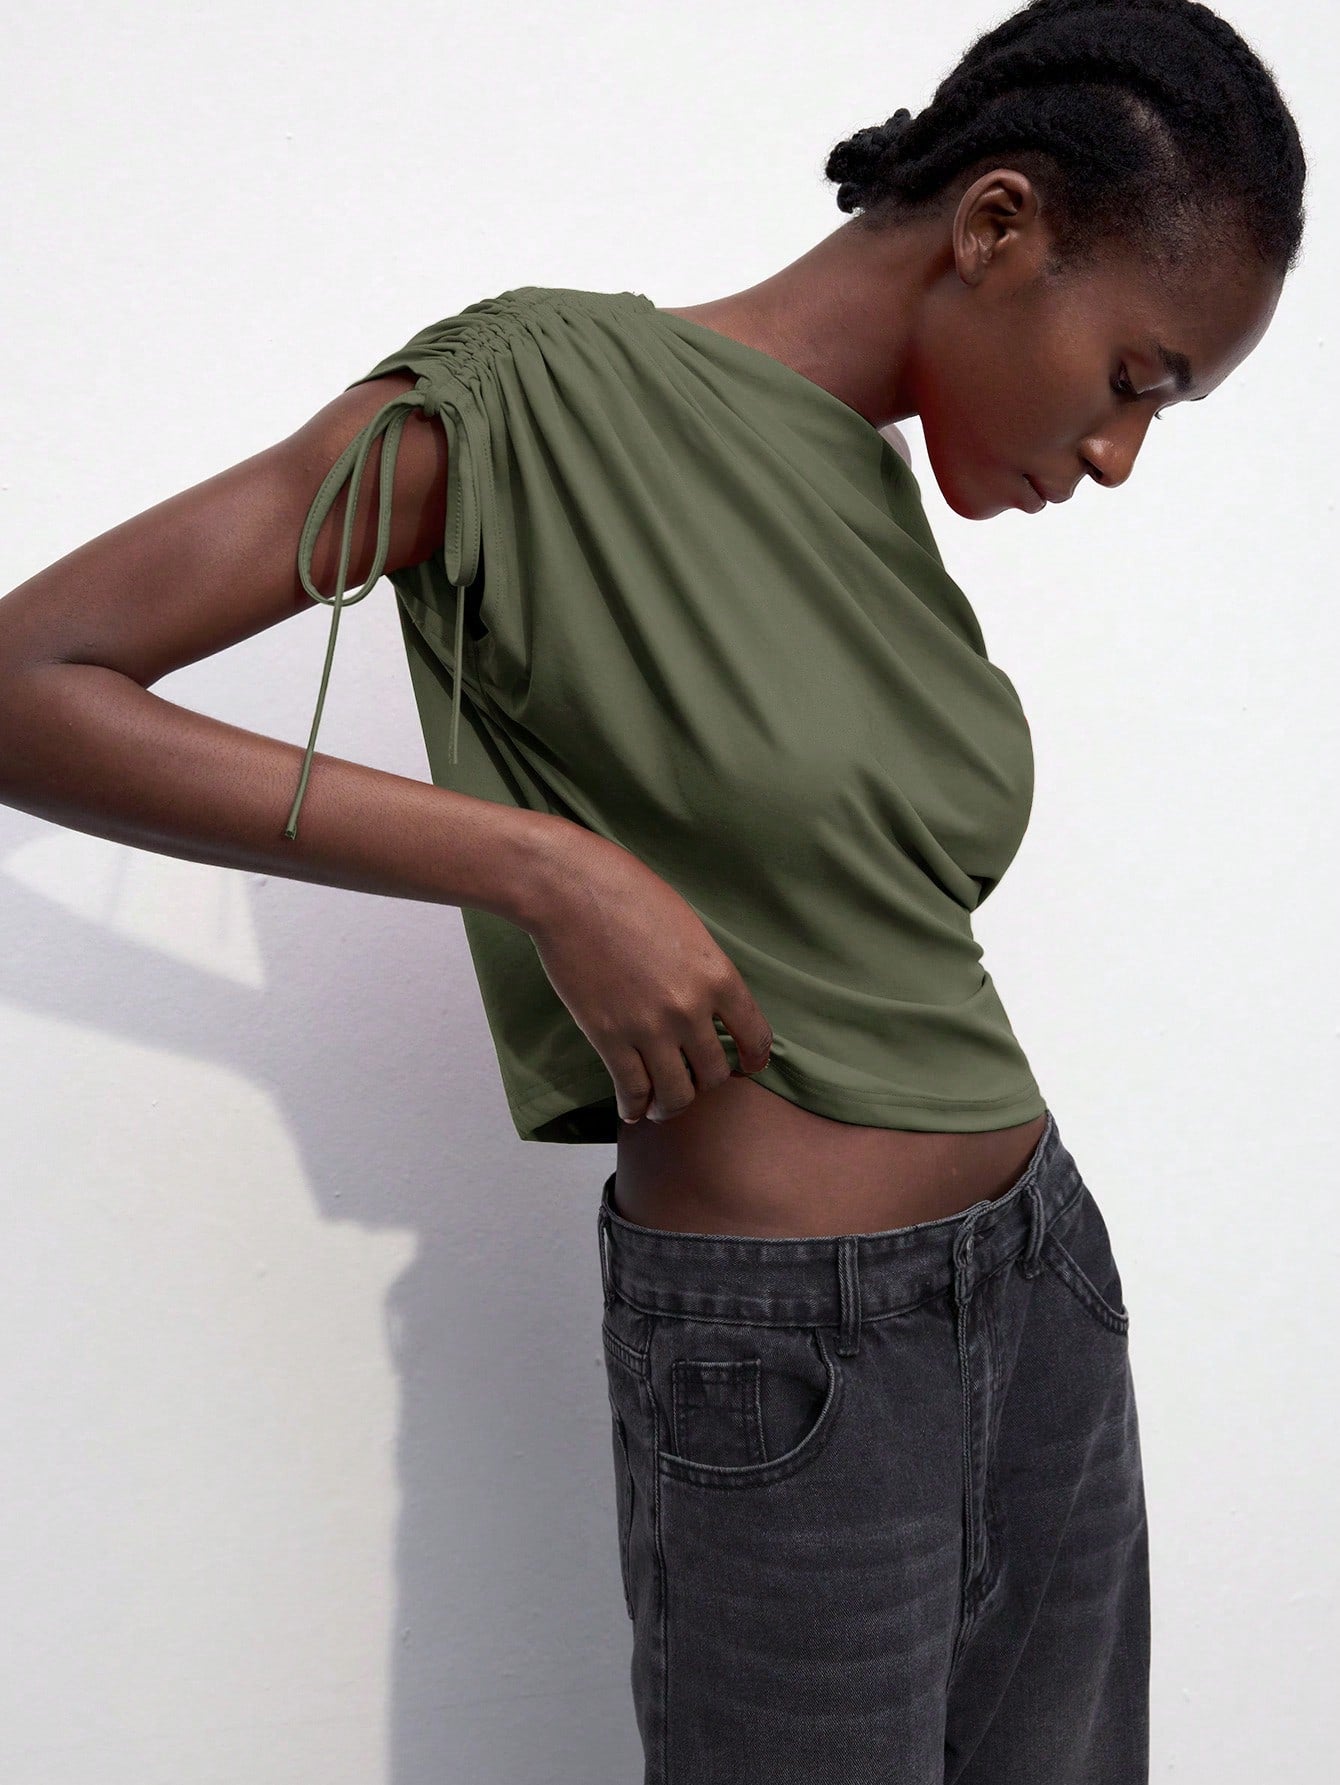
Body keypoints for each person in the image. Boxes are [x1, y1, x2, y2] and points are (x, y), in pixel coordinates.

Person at [0, 0, 1305, 1778]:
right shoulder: (543, 403)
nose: (1120, 453)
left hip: (1047, 1288)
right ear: (998, 224)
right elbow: (34, 682)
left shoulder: (865, 479)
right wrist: (542, 865)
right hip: (788, 1362)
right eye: (1138, 378)